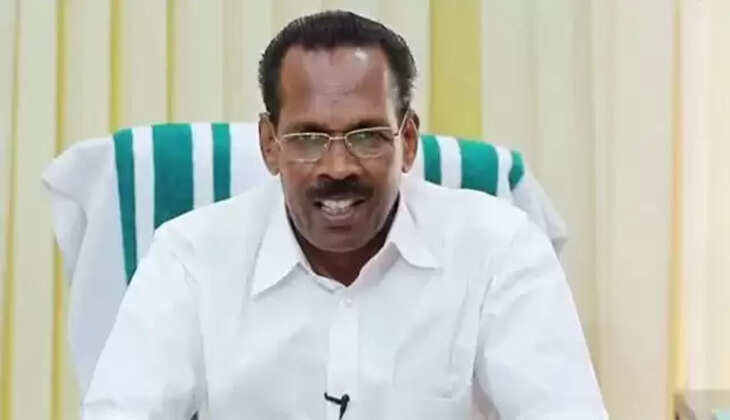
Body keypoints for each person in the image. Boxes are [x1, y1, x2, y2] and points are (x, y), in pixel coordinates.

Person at [83, 10, 607, 420]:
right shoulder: (191, 258)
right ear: (270, 145)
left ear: (407, 140)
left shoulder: (497, 248)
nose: (337, 167)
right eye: (308, 138)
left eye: (366, 136)